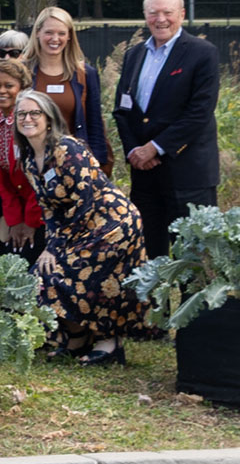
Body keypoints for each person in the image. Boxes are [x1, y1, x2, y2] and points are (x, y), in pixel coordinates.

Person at [15, 91, 150, 364]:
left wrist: (55, 247)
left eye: (34, 113)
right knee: (43, 276)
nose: (27, 119)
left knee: (89, 279)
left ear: (49, 119)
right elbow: (50, 209)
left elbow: (84, 202)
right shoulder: (30, 161)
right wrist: (52, 245)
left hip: (113, 223)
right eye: (21, 115)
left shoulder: (67, 149)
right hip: (79, 227)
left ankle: (109, 342)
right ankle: (77, 338)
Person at [114, 0, 221, 256]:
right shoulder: (134, 54)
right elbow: (122, 109)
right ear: (145, 16)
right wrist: (134, 152)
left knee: (194, 259)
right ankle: (155, 301)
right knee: (149, 255)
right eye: (153, 13)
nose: (160, 19)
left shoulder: (203, 53)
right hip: (145, 174)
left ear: (182, 14)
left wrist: (155, 147)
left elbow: (200, 112)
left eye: (167, 12)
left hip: (188, 175)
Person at [21, 6, 108, 173]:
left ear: (69, 36)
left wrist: (97, 164)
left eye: (61, 33)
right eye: (49, 32)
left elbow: (95, 123)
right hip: (33, 163)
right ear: (38, 33)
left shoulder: (85, 74)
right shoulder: (22, 72)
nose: (55, 38)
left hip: (76, 164)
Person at [0, 59, 43, 260]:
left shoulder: (32, 120)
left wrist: (31, 221)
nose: (2, 91)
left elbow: (40, 176)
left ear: (22, 88)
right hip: (15, 210)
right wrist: (15, 220)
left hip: (42, 209)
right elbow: (0, 178)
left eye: (9, 86)